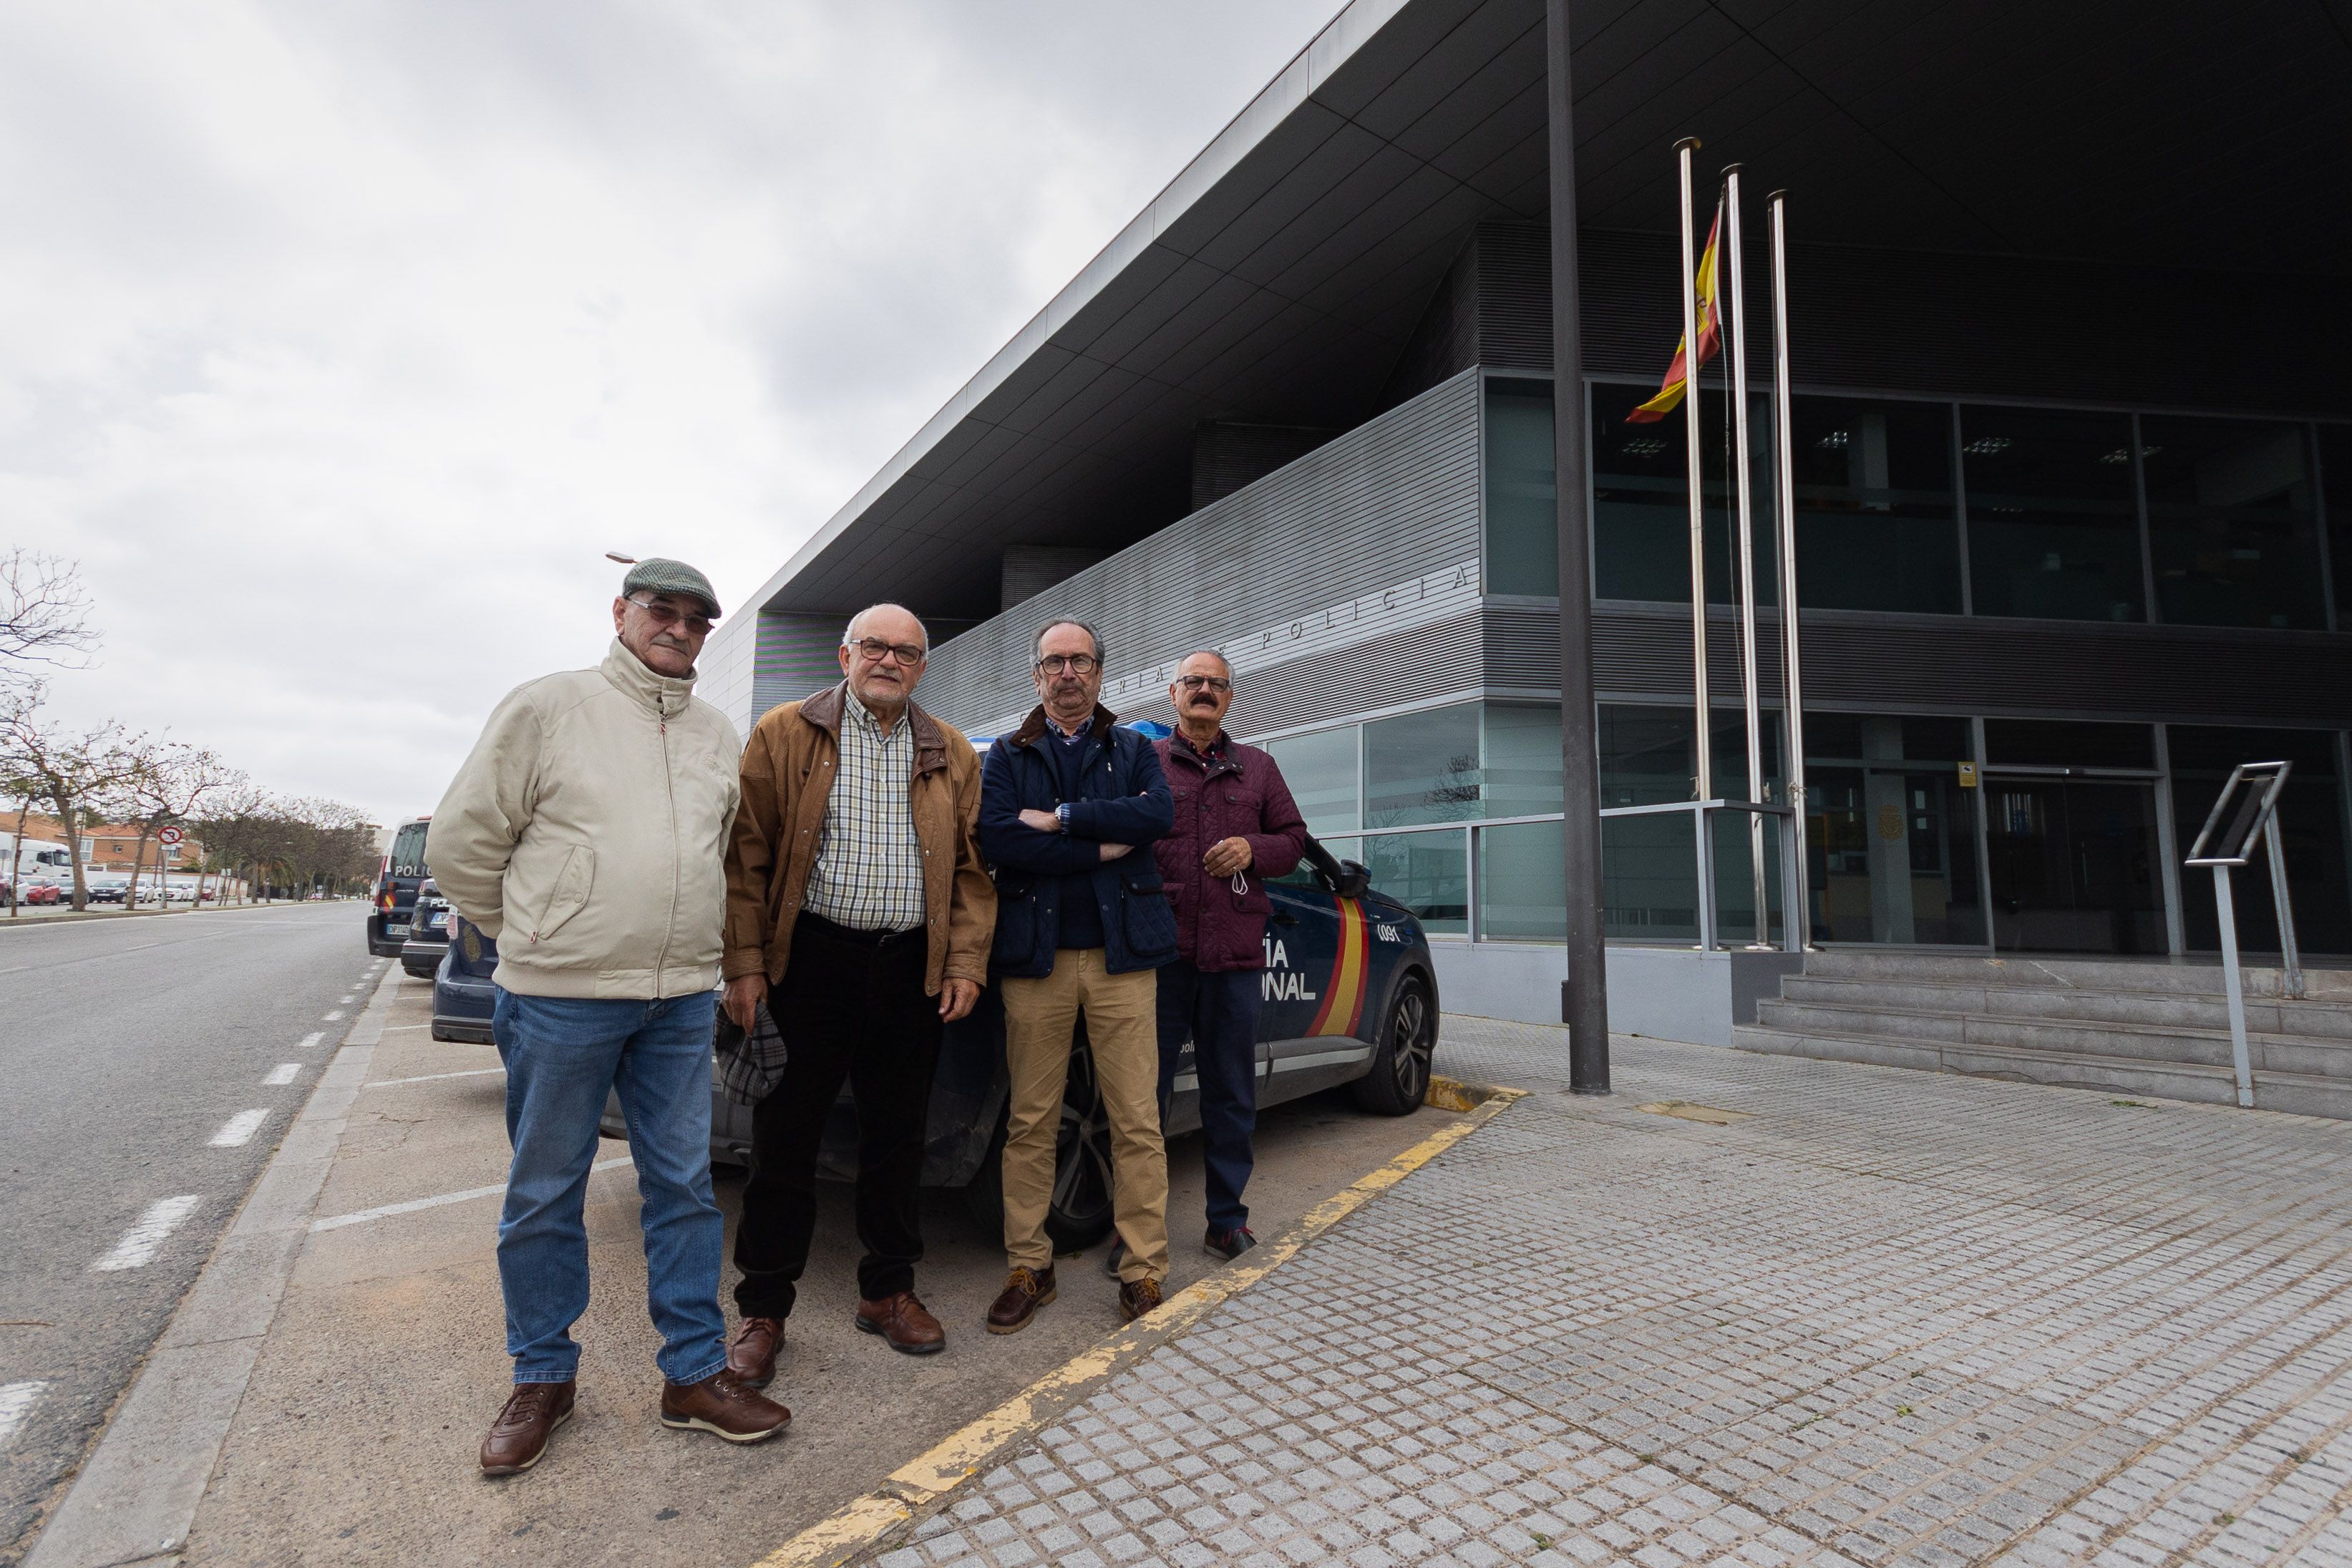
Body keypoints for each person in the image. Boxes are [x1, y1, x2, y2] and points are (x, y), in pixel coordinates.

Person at [428, 558, 789, 1478]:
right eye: (660, 611)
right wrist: (536, 933)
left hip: (675, 1003)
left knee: (684, 1188)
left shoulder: (715, 733)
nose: (678, 628)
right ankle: (543, 1376)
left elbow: (716, 856)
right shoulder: (548, 706)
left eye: (696, 619)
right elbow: (464, 841)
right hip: (558, 997)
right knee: (545, 1191)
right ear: (621, 614)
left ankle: (694, 1375)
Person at [719, 604, 994, 1376]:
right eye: (874, 646)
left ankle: (888, 1290)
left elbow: (972, 872)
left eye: (906, 651)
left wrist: (965, 961)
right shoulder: (783, 731)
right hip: (809, 961)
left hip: (911, 966)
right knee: (784, 1140)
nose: (888, 660)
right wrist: (744, 963)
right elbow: (748, 860)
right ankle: (763, 1308)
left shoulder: (951, 750)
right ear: (846, 654)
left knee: (897, 1137)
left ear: (922, 667)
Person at [977, 620, 1177, 1332]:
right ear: (1036, 677)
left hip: (1123, 961)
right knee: (1030, 1122)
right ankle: (1030, 1265)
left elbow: (1157, 813)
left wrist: (1061, 819)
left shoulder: (1134, 749)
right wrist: (1098, 849)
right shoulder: (1005, 754)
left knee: (1137, 1121)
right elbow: (997, 835)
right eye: (1054, 662)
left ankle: (1142, 1271)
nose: (1067, 672)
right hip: (1036, 963)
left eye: (1079, 661)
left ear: (1099, 673)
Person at [1146, 651, 1307, 1263]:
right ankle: (1135, 1229)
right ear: (1174, 693)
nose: (1205, 691)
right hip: (1160, 955)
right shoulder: (1147, 763)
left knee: (1232, 1092)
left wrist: (1251, 847)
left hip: (1234, 956)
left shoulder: (1259, 767)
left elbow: (1293, 841)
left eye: (1216, 684)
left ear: (1230, 698)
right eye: (1194, 682)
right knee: (1143, 1098)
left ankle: (1225, 1220)